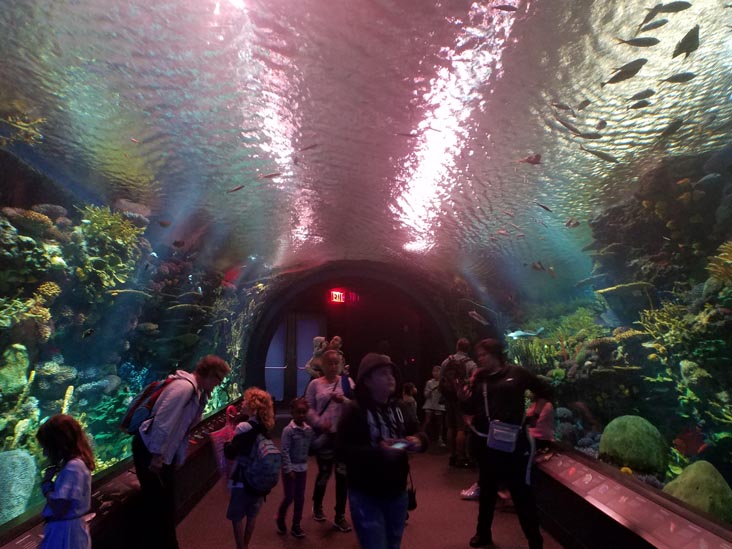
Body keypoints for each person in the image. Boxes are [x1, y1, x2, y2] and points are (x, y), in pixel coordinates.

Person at [132, 355, 230, 549]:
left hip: (160, 451)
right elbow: (163, 422)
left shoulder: (196, 392)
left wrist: (178, 455)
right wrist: (158, 455)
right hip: (149, 450)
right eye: (218, 380)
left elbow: (182, 429)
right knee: (159, 505)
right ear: (210, 374)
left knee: (165, 503)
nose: (218, 385)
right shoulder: (184, 388)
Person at [463, 339, 553, 549]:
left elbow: (545, 390)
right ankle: (482, 533)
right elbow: (468, 406)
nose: (480, 359)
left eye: (483, 354)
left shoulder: (517, 373)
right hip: (487, 443)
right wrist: (463, 401)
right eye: (479, 356)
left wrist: (535, 413)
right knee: (487, 490)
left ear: (495, 354)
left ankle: (534, 540)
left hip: (514, 443)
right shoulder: (479, 378)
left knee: (521, 492)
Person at [336, 353, 428, 549]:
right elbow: (342, 450)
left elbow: (418, 432)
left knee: (393, 544)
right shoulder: (355, 410)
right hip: (366, 493)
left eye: (392, 374)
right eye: (383, 374)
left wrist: (418, 441)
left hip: (397, 492)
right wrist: (378, 452)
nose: (390, 378)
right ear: (367, 380)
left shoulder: (401, 407)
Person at [304, 348, 355, 532]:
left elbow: (357, 407)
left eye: (336, 363)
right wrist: (319, 422)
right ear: (323, 365)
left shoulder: (347, 382)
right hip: (324, 436)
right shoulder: (315, 384)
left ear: (341, 364)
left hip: (342, 437)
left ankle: (340, 515)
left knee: (343, 476)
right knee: (324, 473)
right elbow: (307, 408)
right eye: (330, 363)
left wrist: (345, 401)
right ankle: (317, 505)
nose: (333, 366)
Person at [225, 387, 276, 549]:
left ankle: (241, 547)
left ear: (253, 406)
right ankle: (245, 545)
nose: (243, 404)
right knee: (252, 515)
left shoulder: (243, 427)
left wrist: (227, 442)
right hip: (259, 480)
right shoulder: (265, 428)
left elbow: (232, 453)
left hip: (241, 478)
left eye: (246, 401)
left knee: (237, 515)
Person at [36, 414, 95, 549]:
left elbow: (59, 506)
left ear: (58, 444)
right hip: (69, 530)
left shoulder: (73, 467)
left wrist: (46, 484)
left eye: (46, 447)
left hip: (65, 533)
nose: (45, 453)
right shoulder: (77, 464)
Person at [276, 397, 315, 538]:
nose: (302, 415)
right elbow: (284, 450)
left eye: (304, 412)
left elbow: (311, 447)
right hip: (290, 470)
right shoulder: (288, 430)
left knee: (300, 497)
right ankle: (280, 518)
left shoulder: (308, 430)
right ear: (292, 412)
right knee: (289, 497)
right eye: (298, 412)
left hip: (302, 469)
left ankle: (296, 525)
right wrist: (288, 469)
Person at [439, 338, 477, 467]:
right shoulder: (471, 364)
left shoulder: (446, 362)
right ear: (468, 349)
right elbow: (474, 382)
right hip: (462, 400)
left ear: (457, 347)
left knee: (450, 427)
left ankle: (452, 455)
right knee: (462, 429)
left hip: (449, 398)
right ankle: (461, 457)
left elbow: (441, 380)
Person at [421, 365, 446, 446]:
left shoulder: (443, 382)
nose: (435, 373)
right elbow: (425, 394)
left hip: (439, 404)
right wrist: (432, 390)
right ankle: (421, 438)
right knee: (427, 421)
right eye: (434, 371)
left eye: (437, 371)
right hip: (429, 404)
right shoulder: (429, 382)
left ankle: (440, 438)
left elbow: (445, 394)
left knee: (440, 423)